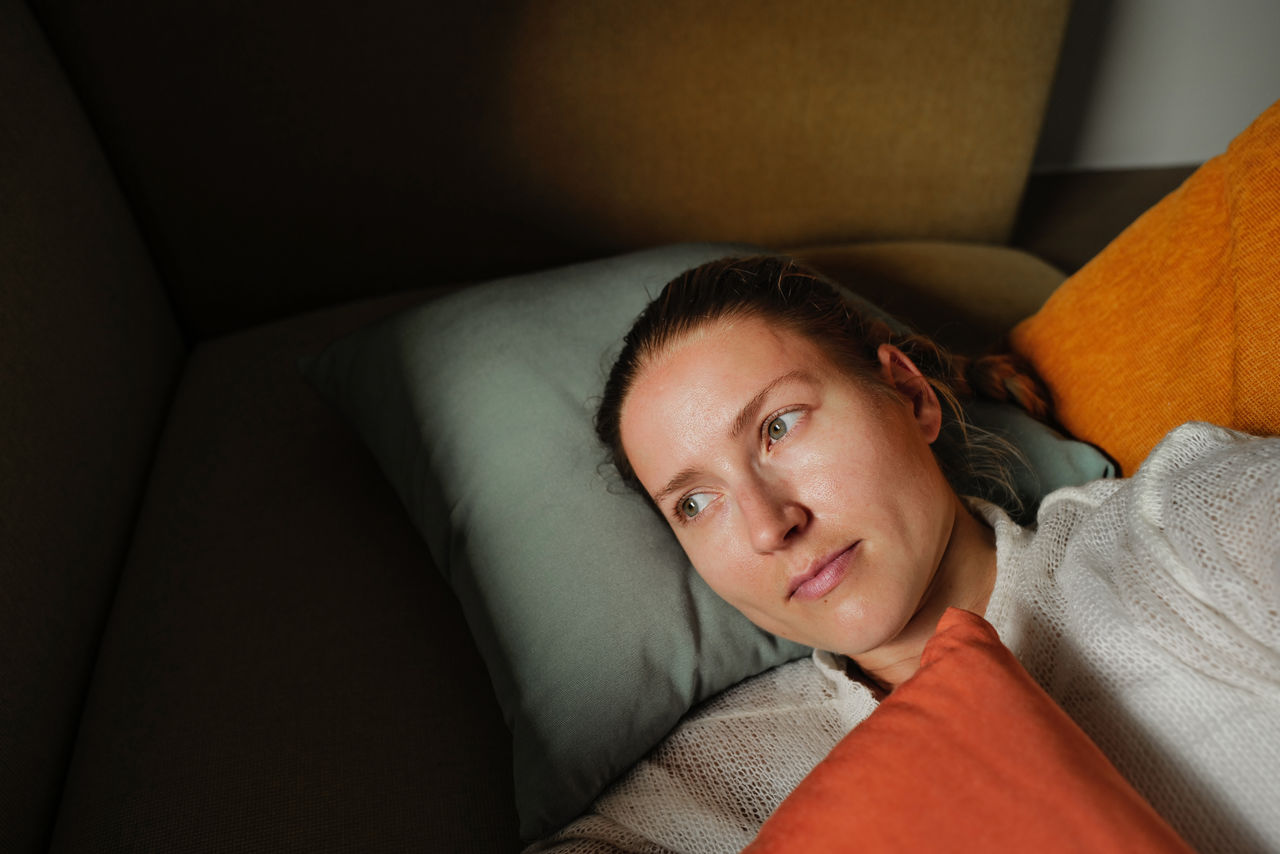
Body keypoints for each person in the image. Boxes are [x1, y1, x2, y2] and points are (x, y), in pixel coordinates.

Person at [532, 255, 1280, 854]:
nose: (769, 525)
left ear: (910, 395)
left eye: (779, 427)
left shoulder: (1181, 528)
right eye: (694, 504)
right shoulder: (703, 787)